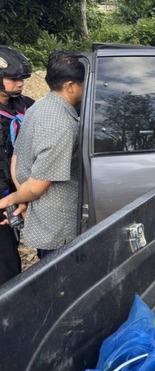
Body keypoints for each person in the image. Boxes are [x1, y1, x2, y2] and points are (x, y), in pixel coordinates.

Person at [0, 50, 85, 258]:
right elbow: (37, 186)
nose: (19, 83)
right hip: (57, 227)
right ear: (70, 86)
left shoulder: (37, 106)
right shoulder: (61, 124)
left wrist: (23, 195)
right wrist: (13, 198)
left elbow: (16, 157)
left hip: (41, 215)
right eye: (84, 83)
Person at [0, 46, 33, 283]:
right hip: (3, 196)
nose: (20, 83)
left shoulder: (25, 106)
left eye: (22, 79)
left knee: (12, 260)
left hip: (21, 192)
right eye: (13, 79)